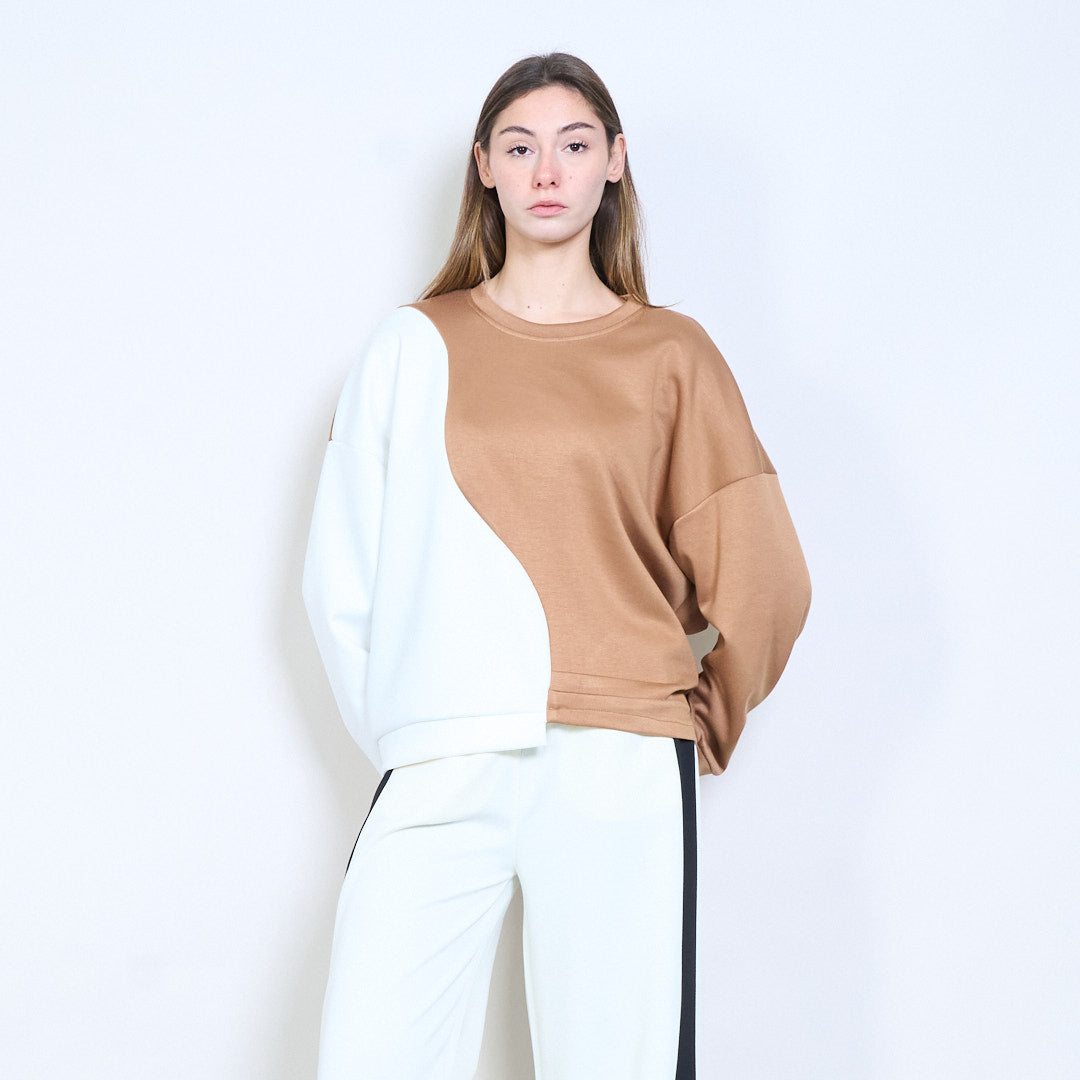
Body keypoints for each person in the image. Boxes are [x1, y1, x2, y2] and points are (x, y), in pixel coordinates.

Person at [301, 51, 811, 1080]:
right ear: (484, 166)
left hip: (621, 759)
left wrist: (691, 726)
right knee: (372, 1053)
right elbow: (341, 575)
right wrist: (414, 723)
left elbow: (766, 577)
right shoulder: (411, 346)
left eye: (574, 145)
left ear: (614, 161)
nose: (547, 171)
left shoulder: (671, 355)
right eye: (521, 147)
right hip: (445, 750)